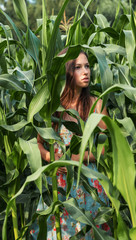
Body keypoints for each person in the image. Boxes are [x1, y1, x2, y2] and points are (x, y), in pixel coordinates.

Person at [30, 48, 110, 240]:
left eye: (88, 66)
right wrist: (51, 157)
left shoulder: (97, 105)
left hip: (88, 186)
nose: (86, 72)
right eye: (78, 67)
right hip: (58, 188)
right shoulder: (52, 108)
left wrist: (74, 159)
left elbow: (104, 149)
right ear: (66, 71)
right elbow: (38, 144)